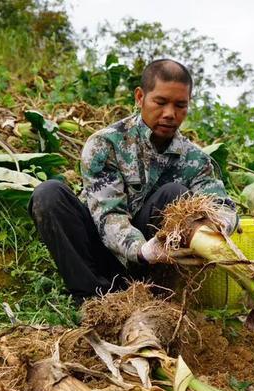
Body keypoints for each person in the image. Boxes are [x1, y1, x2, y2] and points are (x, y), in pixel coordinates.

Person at [29, 59, 237, 301]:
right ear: (140, 97)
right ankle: (91, 298)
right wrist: (141, 249)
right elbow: (108, 215)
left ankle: (155, 294)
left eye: (180, 105)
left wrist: (216, 226)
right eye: (160, 102)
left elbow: (222, 208)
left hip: (155, 265)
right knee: (48, 194)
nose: (170, 114)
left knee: (175, 194)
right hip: (101, 252)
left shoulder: (197, 160)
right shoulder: (106, 144)